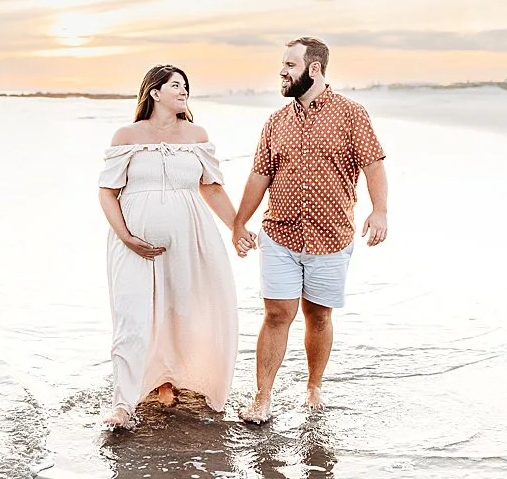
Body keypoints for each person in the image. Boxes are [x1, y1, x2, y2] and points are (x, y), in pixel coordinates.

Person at [230, 37, 389, 424]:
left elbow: (373, 165)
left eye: (290, 65)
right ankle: (262, 397)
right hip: (280, 234)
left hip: (331, 236)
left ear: (313, 69)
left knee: (317, 316)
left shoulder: (352, 115)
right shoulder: (275, 122)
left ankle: (314, 386)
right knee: (277, 313)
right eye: (283, 65)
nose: (282, 72)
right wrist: (239, 222)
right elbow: (259, 174)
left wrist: (379, 211)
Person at [97, 64, 242, 429]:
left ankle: (171, 380)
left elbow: (211, 188)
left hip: (192, 240)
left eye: (186, 87)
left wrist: (237, 227)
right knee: (133, 318)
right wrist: (126, 237)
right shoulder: (127, 135)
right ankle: (123, 404)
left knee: (186, 311)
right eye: (176, 85)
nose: (183, 91)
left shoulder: (196, 134)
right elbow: (107, 192)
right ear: (155, 92)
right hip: (132, 245)